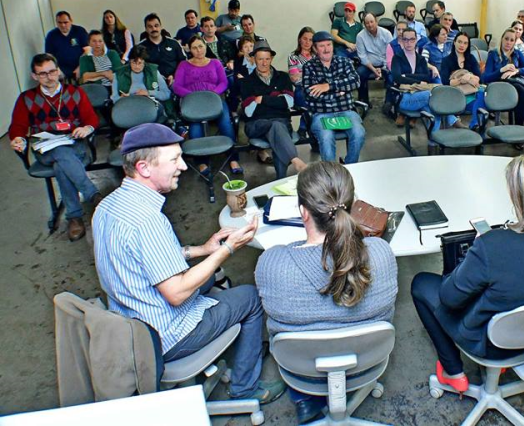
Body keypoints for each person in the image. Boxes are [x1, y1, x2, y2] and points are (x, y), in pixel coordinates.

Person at [93, 123, 285, 406]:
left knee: (211, 276)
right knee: (250, 297)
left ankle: (241, 341)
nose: (183, 166)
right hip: (165, 336)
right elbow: (176, 293)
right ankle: (246, 388)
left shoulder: (107, 206)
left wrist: (203, 250)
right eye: (174, 160)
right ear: (145, 168)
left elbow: (145, 257)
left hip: (130, 321)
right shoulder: (148, 220)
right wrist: (228, 249)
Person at [411, 153, 524, 393]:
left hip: (490, 341)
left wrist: (473, 257)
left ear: (517, 196)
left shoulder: (494, 246)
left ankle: (453, 371)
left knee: (421, 283)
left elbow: (450, 299)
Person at [255, 161, 398, 424]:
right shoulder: (381, 253)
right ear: (352, 205)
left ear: (303, 212)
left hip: (302, 373)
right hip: (365, 366)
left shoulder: (273, 264)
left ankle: (304, 400)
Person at [10, 53, 100, 241]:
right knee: (60, 152)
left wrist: (86, 127)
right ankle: (93, 195)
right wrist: (18, 139)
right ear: (34, 76)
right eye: (42, 74)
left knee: (62, 164)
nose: (49, 77)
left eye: (52, 71)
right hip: (46, 147)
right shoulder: (27, 98)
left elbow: (91, 118)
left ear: (58, 71)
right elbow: (18, 127)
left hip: (74, 142)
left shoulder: (75, 92)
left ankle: (74, 217)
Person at [172, 36, 240, 175]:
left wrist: (212, 94)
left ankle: (233, 158)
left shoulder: (215, 63)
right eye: (195, 48)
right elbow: (177, 86)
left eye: (201, 46)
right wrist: (193, 96)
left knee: (226, 124)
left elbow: (223, 82)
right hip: (193, 102)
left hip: (214, 99)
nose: (199, 50)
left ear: (205, 46)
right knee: (195, 129)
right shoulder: (183, 65)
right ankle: (201, 161)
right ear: (190, 50)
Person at [240, 42, 307, 178]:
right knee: (276, 127)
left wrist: (262, 99)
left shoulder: (282, 77)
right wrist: (276, 98)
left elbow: (289, 102)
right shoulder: (246, 81)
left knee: (276, 128)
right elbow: (248, 111)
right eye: (260, 59)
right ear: (254, 59)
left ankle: (281, 177)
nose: (264, 63)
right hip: (256, 124)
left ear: (271, 59)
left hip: (281, 122)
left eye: (267, 59)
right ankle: (295, 163)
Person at [391, 28, 459, 154]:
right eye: (405, 39)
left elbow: (426, 77)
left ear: (416, 40)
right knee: (432, 94)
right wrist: (415, 79)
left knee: (435, 113)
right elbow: (396, 77)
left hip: (421, 97)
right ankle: (452, 119)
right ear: (401, 41)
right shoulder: (397, 58)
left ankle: (432, 145)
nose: (409, 42)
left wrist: (406, 76)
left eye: (412, 39)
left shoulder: (421, 59)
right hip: (405, 98)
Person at [302, 31, 365, 164]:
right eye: (321, 46)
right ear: (315, 48)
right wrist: (340, 90)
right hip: (322, 114)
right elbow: (310, 94)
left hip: (346, 112)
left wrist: (328, 86)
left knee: (359, 133)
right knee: (326, 137)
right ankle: (331, 173)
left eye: (329, 45)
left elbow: (355, 81)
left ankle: (349, 166)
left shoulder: (344, 62)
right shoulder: (309, 67)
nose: (326, 49)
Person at [482, 28, 524, 127]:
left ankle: (517, 129)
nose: (508, 42)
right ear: (502, 39)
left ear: (515, 42)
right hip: (498, 87)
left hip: (515, 86)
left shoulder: (517, 53)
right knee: (519, 90)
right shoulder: (493, 54)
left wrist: (517, 71)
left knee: (519, 95)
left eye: (512, 40)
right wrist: (502, 70)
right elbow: (486, 78)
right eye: (506, 39)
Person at [440, 32, 483, 129]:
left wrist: (468, 75)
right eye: (459, 42)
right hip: (454, 96)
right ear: (454, 42)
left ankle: (475, 126)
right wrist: (462, 80)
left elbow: (479, 78)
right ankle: (477, 128)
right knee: (481, 107)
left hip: (470, 95)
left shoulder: (471, 58)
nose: (462, 45)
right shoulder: (446, 60)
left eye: (465, 43)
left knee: (482, 94)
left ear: (468, 45)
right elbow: (446, 82)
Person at [110, 45, 171, 112]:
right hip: (128, 107)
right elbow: (114, 98)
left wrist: (149, 92)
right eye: (133, 62)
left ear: (144, 62)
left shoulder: (153, 71)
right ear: (129, 61)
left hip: (150, 107)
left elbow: (166, 94)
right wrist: (122, 99)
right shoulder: (119, 74)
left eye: (140, 63)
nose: (137, 66)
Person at [355, 13, 392, 103]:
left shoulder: (386, 34)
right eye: (367, 23)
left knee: (392, 76)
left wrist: (382, 68)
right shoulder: (360, 36)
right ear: (364, 24)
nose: (370, 25)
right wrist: (373, 69)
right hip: (368, 65)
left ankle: (389, 102)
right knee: (359, 73)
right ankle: (364, 102)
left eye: (372, 22)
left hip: (385, 64)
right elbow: (362, 56)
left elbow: (390, 54)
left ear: (376, 22)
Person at [139, 13, 185, 85]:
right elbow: (136, 66)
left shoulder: (174, 43)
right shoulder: (140, 47)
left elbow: (183, 63)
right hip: (151, 83)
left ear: (161, 26)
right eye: (150, 27)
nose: (154, 29)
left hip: (175, 81)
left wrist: (175, 76)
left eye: (156, 26)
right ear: (146, 29)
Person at [45, 11, 89, 81]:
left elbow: (88, 50)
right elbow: (49, 56)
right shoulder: (51, 35)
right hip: (61, 72)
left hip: (81, 68)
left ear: (71, 21)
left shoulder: (80, 31)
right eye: (59, 22)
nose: (63, 25)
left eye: (65, 22)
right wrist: (57, 70)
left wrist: (80, 67)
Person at [288, 26, 316, 115]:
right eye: (305, 39)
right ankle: (304, 127)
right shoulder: (293, 56)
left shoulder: (318, 56)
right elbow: (294, 78)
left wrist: (301, 72)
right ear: (299, 39)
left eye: (310, 40)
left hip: (318, 86)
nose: (307, 42)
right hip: (302, 88)